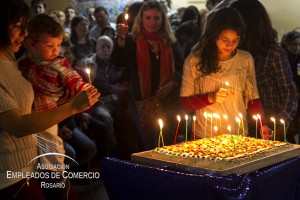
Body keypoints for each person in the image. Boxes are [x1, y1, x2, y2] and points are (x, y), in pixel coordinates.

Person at [0, 0, 99, 199]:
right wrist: (71, 107)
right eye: (19, 26)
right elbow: (18, 125)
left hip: (32, 163)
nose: (25, 33)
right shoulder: (16, 61)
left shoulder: (10, 58)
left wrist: (66, 100)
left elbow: (41, 94)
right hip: (12, 175)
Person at [180, 7, 272, 139]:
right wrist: (210, 98)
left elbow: (253, 99)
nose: (230, 45)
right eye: (225, 40)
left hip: (238, 135)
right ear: (214, 35)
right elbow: (185, 104)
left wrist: (262, 125)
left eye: (235, 40)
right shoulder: (194, 60)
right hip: (205, 136)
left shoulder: (245, 59)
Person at [228, 0, 299, 142]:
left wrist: (280, 123)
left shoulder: (273, 53)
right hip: (243, 127)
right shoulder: (233, 53)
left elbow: (290, 92)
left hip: (272, 128)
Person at [113, 0, 179, 151]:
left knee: (168, 144)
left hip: (167, 101)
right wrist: (120, 42)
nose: (152, 22)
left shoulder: (169, 41)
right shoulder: (132, 40)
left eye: (156, 18)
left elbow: (182, 66)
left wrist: (173, 82)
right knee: (150, 145)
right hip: (142, 102)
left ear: (162, 20)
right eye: (148, 18)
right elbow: (119, 62)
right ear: (141, 20)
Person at [281, 31, 300, 142]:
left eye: (299, 45)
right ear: (287, 44)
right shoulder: (283, 58)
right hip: (289, 96)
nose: (297, 48)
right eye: (294, 44)